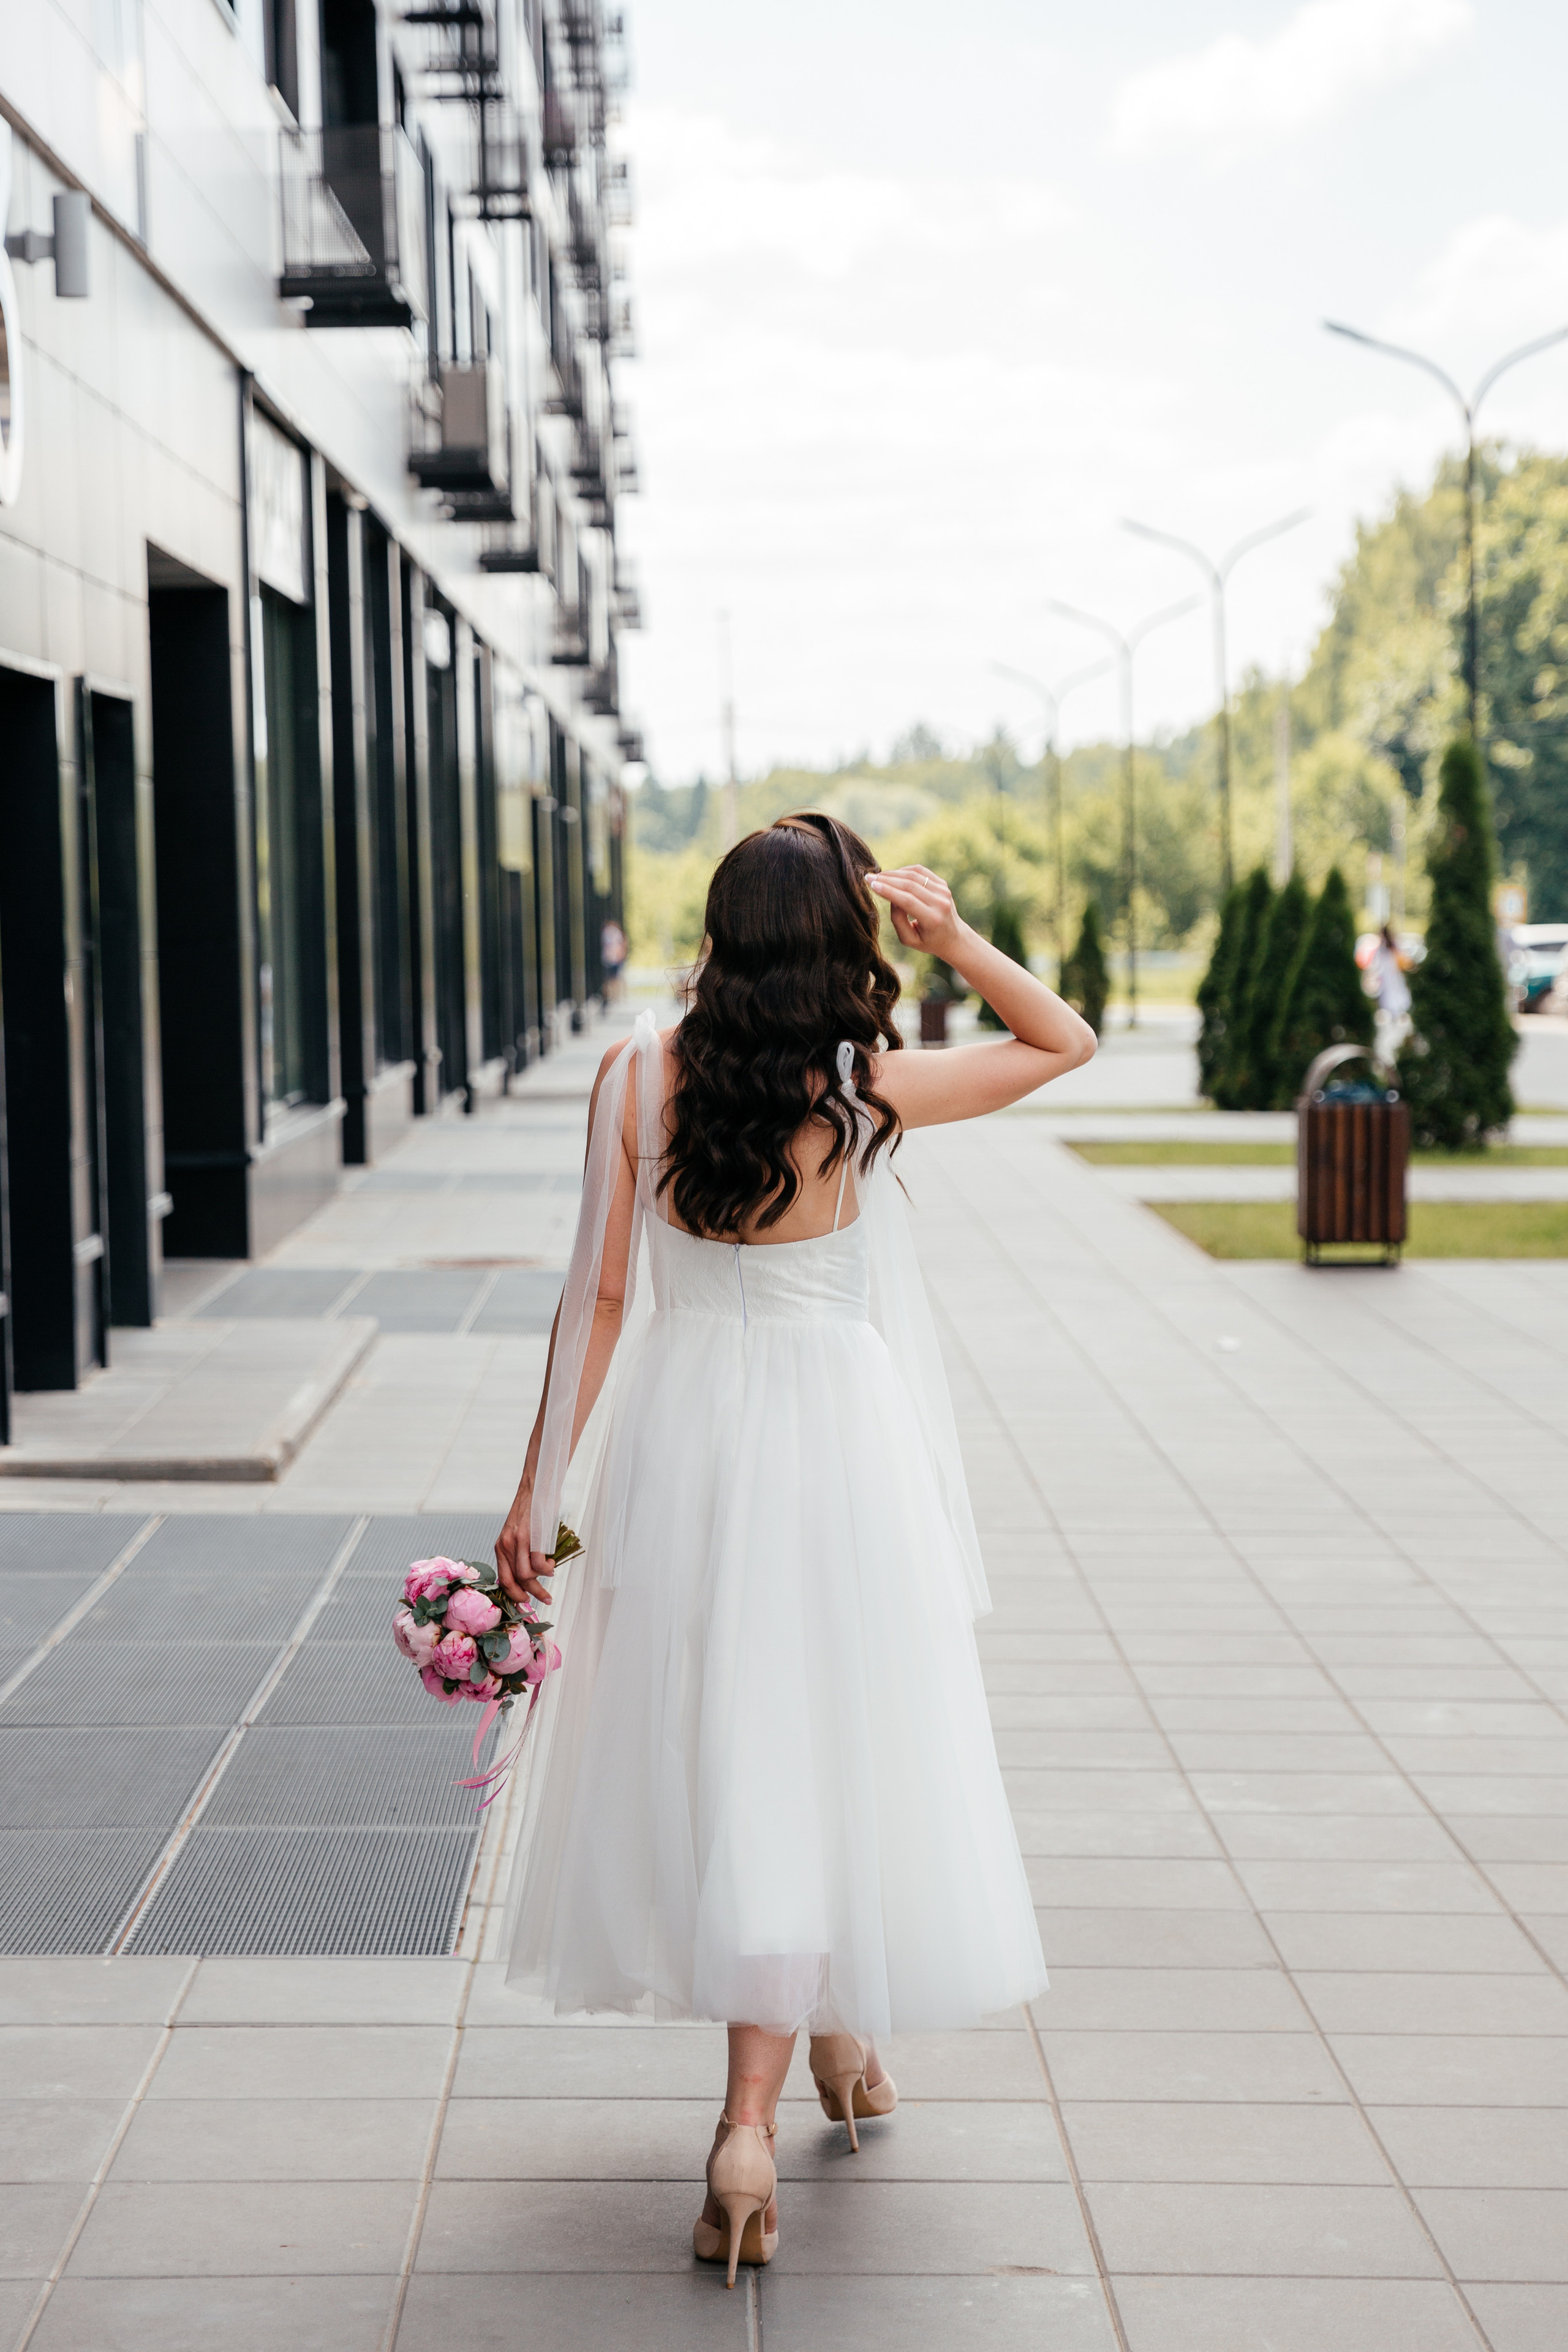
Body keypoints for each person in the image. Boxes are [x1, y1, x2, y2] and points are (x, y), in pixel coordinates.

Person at [495, 813, 1095, 2285]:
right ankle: (746, 2128)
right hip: (837, 1436)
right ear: (837, 935)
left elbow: (599, 1299)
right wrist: (949, 939)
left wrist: (533, 1492)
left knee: (731, 1738)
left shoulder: (637, 1074)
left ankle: (830, 2042)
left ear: (718, 926)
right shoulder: (865, 1083)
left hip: (685, 1433)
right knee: (812, 1738)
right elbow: (1061, 1040)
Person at [1370, 921, 1411, 1056]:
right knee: (1393, 1003)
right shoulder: (1391, 948)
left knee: (1394, 1003)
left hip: (1392, 983)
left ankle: (1399, 1026)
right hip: (1392, 983)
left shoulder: (1387, 950)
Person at [599, 916, 628, 1004]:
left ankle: (611, 997)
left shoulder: (607, 932)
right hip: (614, 958)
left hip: (609, 958)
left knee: (610, 979)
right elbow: (622, 944)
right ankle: (614, 997)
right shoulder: (615, 932)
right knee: (614, 979)